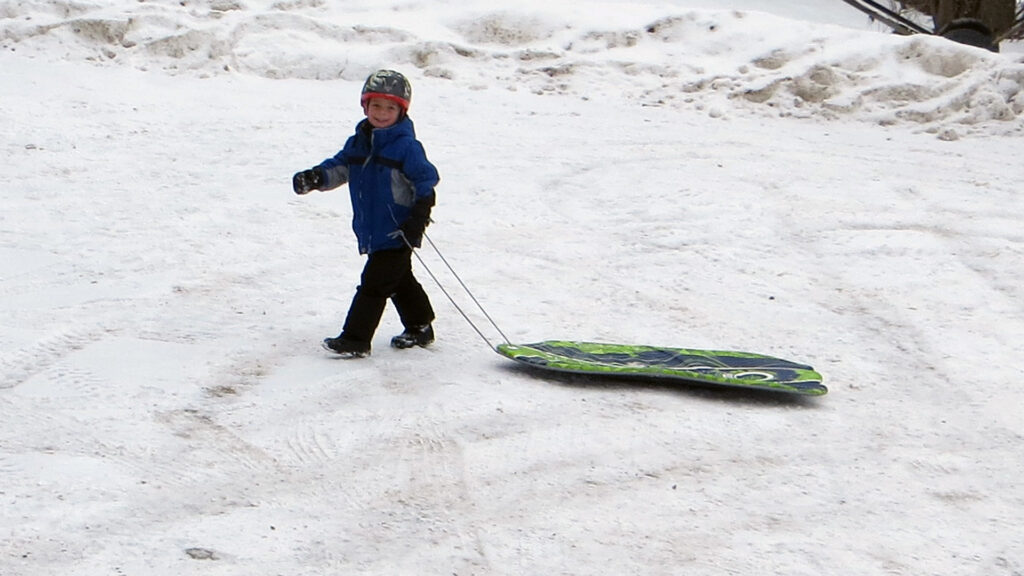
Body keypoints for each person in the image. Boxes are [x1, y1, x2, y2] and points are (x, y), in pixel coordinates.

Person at [292, 69, 439, 358]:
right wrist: (316, 178)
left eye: (390, 107)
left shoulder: (406, 147)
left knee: (374, 285)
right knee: (398, 279)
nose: (382, 113)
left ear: (402, 110)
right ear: (365, 106)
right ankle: (420, 325)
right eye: (376, 106)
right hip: (373, 228)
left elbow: (426, 181)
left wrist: (418, 218)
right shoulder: (359, 143)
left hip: (399, 229)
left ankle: (356, 338)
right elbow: (340, 167)